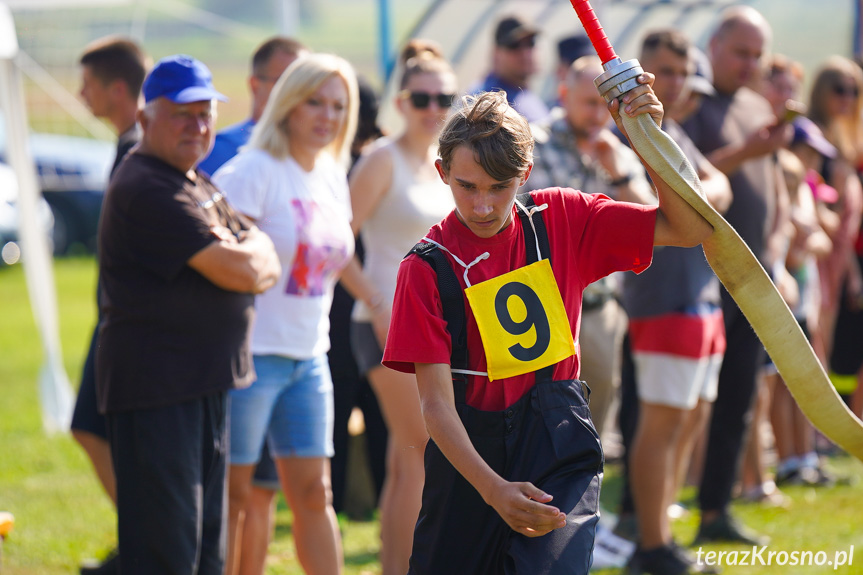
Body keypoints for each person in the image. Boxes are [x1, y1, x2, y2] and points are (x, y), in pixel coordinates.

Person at [382, 75, 713, 574]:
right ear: (442, 171)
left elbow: (689, 227)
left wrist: (646, 141)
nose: (483, 206)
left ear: (526, 173)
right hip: (471, 457)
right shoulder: (426, 268)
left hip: (558, 438)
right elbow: (434, 404)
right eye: (467, 187)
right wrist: (494, 489)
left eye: (501, 187)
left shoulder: (563, 217)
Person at [96, 54, 281, 575]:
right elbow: (243, 270)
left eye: (206, 114)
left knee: (203, 551)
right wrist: (244, 253)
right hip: (158, 395)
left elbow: (261, 250)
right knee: (167, 554)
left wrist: (248, 250)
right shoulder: (146, 186)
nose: (198, 127)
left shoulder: (194, 181)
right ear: (145, 118)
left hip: (199, 387)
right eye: (183, 114)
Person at [213, 53, 359, 575]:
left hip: (309, 358)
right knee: (233, 498)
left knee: (315, 494)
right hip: (249, 360)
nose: (327, 116)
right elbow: (213, 262)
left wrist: (382, 303)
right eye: (314, 102)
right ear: (287, 104)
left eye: (339, 105)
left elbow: (336, 262)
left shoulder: (331, 173)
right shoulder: (252, 170)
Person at [339, 39, 456, 575]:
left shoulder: (442, 163)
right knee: (419, 456)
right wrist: (376, 302)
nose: (433, 108)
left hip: (430, 327)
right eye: (422, 97)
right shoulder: (380, 159)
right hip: (384, 325)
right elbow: (336, 243)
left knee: (406, 460)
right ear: (401, 100)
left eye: (444, 98)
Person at [621, 29, 732, 575]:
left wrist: (701, 195)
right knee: (661, 425)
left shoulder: (672, 132)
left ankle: (664, 532)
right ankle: (652, 546)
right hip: (662, 298)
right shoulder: (635, 133)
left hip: (701, 296)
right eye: (660, 71)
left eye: (680, 71)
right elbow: (661, 209)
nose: (671, 82)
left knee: (689, 420)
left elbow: (717, 188)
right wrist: (702, 196)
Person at [194, 35, 305, 575]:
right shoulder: (223, 152)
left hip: (297, 346)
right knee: (232, 494)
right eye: (284, 82)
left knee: (267, 493)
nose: (295, 97)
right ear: (255, 86)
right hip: (235, 348)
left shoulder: (311, 158)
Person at [681, 5, 791, 546]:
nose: (749, 64)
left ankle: (715, 510)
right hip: (703, 278)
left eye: (757, 54)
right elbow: (687, 182)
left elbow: (776, 194)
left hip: (757, 280)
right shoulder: (693, 106)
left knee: (740, 396)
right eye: (740, 52)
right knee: (688, 403)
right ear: (714, 46)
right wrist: (747, 151)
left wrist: (779, 255)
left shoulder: (754, 106)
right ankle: (647, 513)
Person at [529, 55, 655, 440]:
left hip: (600, 305)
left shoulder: (612, 150)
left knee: (598, 405)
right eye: (589, 102)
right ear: (563, 94)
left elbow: (652, 220)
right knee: (543, 414)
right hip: (545, 303)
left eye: (606, 105)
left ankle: (586, 495)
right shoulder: (534, 144)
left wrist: (621, 171)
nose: (599, 114)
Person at [70, 35, 147, 575]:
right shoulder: (130, 143)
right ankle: (141, 542)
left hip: (128, 326)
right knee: (94, 430)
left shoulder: (140, 148)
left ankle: (147, 545)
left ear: (117, 89)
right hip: (117, 320)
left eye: (88, 85)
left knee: (95, 429)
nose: (79, 95)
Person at [198, 36, 307, 176]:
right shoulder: (217, 149)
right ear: (255, 85)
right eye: (284, 83)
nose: (296, 93)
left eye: (304, 85)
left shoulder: (320, 155)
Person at [472, 14, 549, 123]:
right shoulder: (485, 100)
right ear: (496, 53)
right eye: (514, 45)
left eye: (530, 42)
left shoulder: (524, 93)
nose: (525, 52)